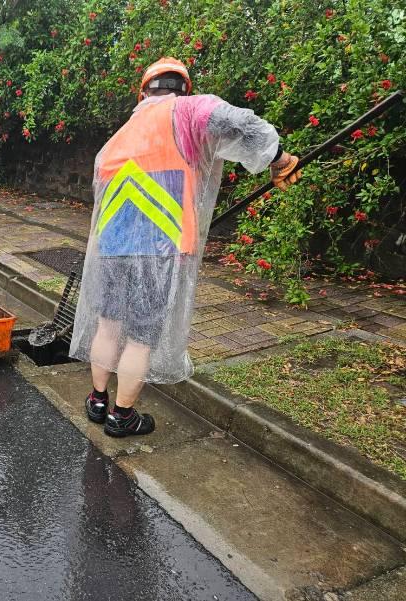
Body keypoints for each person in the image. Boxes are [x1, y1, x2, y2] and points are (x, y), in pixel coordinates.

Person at [69, 57, 302, 438]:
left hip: (111, 247)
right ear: (183, 89)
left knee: (109, 325)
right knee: (142, 336)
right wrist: (279, 158)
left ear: (144, 92)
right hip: (158, 250)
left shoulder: (120, 136)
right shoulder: (188, 110)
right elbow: (244, 125)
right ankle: (122, 415)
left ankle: (97, 400)